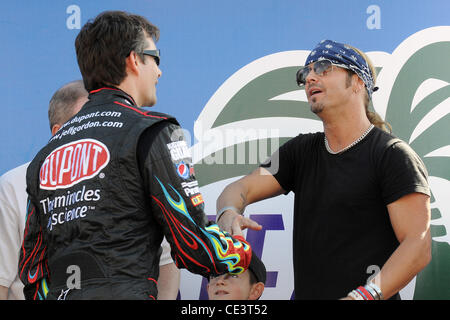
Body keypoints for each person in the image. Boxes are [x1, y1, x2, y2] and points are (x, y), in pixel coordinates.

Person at [19, 11, 253, 300]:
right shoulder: (153, 132)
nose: (159, 71)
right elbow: (196, 248)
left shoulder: (46, 154)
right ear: (133, 59)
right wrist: (239, 249)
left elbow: (32, 272)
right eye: (156, 58)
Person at [216, 40, 431, 300]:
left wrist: (364, 295)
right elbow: (239, 188)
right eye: (305, 73)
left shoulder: (392, 155)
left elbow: (418, 245)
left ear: (357, 82)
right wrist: (227, 212)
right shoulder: (300, 151)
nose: (310, 78)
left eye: (323, 67)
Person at [0, 80, 88, 300]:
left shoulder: (123, 178)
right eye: (85, 124)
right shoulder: (13, 186)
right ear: (57, 133)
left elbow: (164, 259)